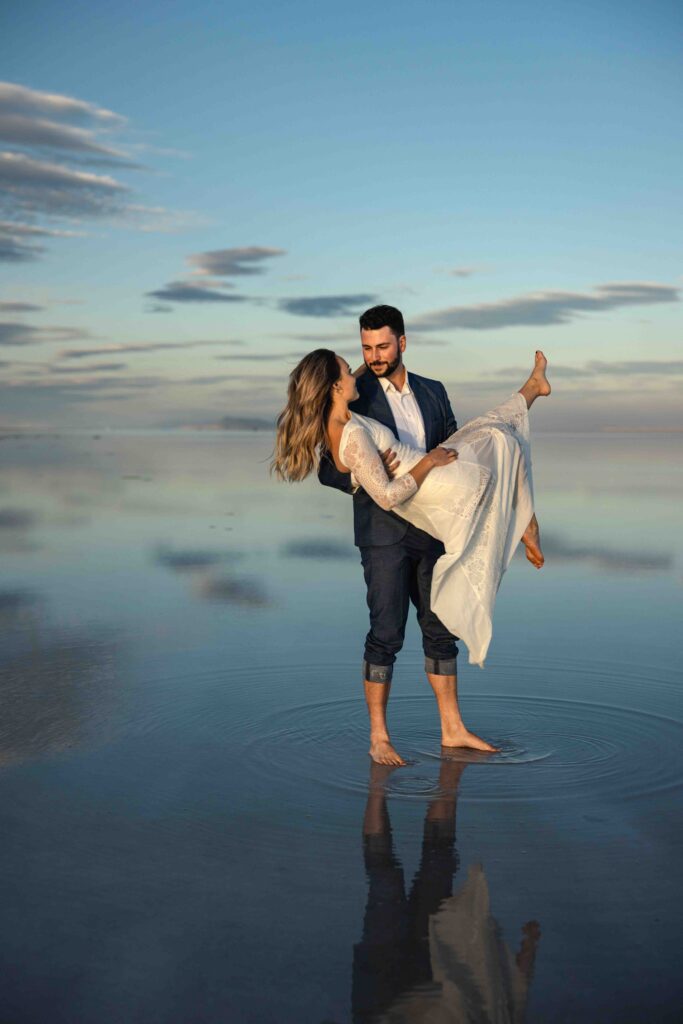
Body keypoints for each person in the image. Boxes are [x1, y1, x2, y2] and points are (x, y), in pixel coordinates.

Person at [272, 319, 550, 766]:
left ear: (401, 343)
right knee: (386, 633)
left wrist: (428, 465)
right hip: (384, 533)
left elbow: (453, 442)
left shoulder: (432, 389)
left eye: (382, 347)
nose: (373, 356)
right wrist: (360, 475)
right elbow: (330, 463)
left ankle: (452, 728)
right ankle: (379, 737)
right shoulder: (356, 397)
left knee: (439, 631)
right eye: (365, 349)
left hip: (431, 521)